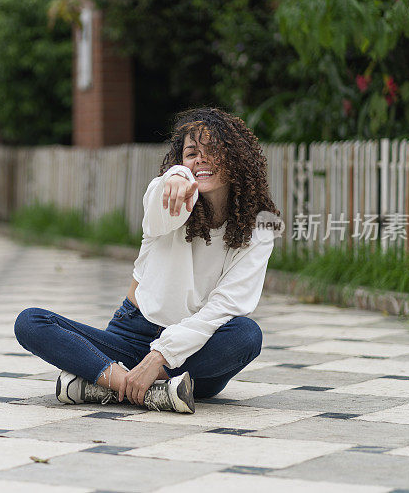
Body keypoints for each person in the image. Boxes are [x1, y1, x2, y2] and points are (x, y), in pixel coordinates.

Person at [14, 106, 279, 413]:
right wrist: (176, 177)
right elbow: (160, 197)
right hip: (132, 333)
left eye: (213, 150)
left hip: (193, 352)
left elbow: (225, 307)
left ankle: (109, 383)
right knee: (31, 322)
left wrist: (158, 358)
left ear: (237, 159)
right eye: (191, 153)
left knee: (247, 335)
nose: (200, 159)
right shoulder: (167, 198)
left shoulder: (261, 227)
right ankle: (149, 390)